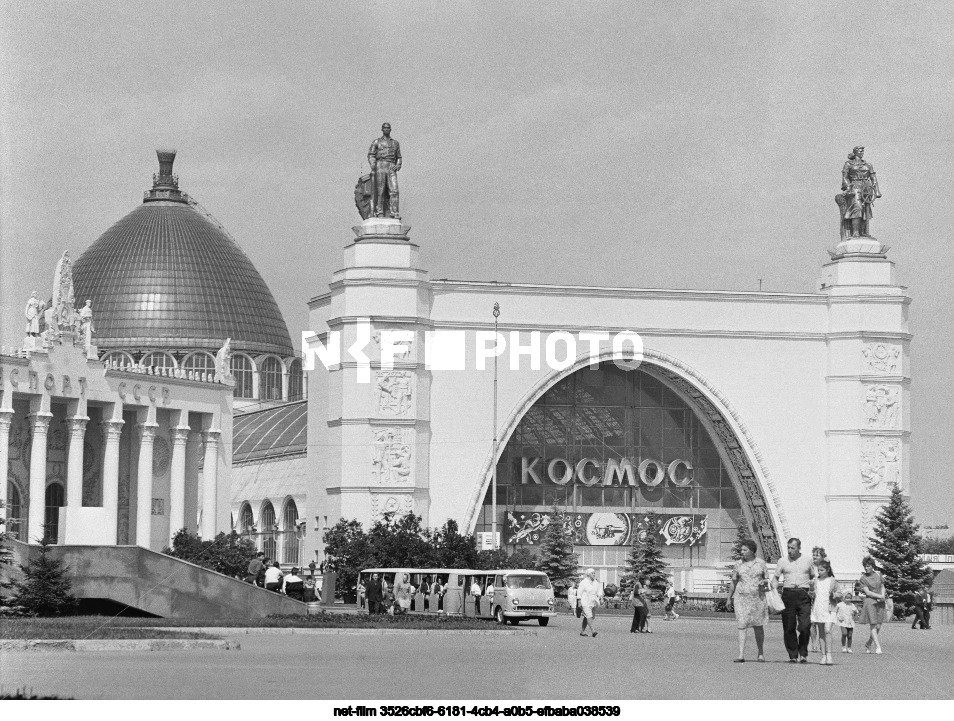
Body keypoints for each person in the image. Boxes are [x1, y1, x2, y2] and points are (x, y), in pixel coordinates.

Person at [772, 537, 816, 663]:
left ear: (799, 548)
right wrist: (774, 591)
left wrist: (813, 588)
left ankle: (803, 653)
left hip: (803, 593)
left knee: (805, 626)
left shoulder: (808, 560)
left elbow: (813, 576)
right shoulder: (782, 561)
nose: (790, 551)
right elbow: (775, 578)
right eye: (789, 548)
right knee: (789, 627)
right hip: (788, 594)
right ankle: (793, 654)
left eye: (793, 548)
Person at [727, 538, 769, 662]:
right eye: (741, 550)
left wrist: (764, 583)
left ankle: (760, 653)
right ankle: (741, 654)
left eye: (745, 550)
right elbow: (733, 582)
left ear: (752, 551)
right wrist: (729, 598)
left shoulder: (761, 563)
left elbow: (767, 580)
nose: (742, 552)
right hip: (741, 599)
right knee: (741, 625)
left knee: (758, 626)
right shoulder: (738, 564)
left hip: (757, 599)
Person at [367, 122, 402, 219]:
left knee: (394, 190)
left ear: (390, 129)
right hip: (380, 165)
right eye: (384, 128)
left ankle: (394, 212)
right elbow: (371, 155)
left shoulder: (395, 143)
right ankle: (379, 211)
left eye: (388, 128)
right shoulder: (376, 142)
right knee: (380, 190)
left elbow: (399, 157)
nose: (386, 129)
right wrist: (373, 165)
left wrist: (398, 164)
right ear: (382, 129)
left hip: (391, 166)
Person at [810, 560, 839, 666]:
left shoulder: (833, 581)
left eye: (821, 570)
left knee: (827, 630)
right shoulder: (816, 581)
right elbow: (813, 595)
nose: (819, 572)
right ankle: (823, 656)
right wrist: (811, 593)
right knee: (821, 632)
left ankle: (829, 654)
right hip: (818, 608)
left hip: (829, 608)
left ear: (827, 570)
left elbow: (839, 594)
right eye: (818, 570)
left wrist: (834, 595)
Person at [857, 556, 886, 654]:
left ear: (872, 566)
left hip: (880, 602)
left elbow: (882, 586)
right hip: (870, 602)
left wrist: (882, 595)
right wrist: (878, 596)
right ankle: (878, 646)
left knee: (878, 626)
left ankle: (868, 643)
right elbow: (867, 592)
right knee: (873, 625)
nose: (866, 568)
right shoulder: (863, 578)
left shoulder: (878, 574)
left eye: (868, 566)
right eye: (865, 566)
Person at [809, 546, 829, 653]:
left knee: (821, 622)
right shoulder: (810, 567)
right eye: (814, 555)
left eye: (817, 555)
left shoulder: (826, 568)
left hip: (822, 598)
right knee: (812, 622)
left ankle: (822, 643)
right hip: (811, 597)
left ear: (822, 556)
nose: (814, 557)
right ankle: (814, 644)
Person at [578, 568, 603, 638]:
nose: (594, 574)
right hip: (585, 601)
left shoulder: (595, 582)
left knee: (587, 617)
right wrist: (579, 601)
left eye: (594, 573)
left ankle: (582, 632)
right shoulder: (584, 582)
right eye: (592, 573)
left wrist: (601, 597)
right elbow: (579, 592)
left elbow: (599, 591)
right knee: (589, 616)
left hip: (593, 602)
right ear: (588, 574)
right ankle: (593, 631)